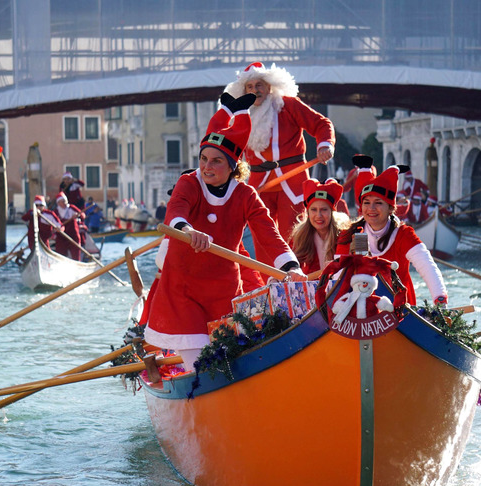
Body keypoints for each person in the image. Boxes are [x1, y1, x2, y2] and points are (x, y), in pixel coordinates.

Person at [143, 92, 306, 369]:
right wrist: (188, 230)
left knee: (232, 359)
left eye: (216, 161)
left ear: (233, 167)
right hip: (183, 290)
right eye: (203, 158)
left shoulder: (245, 194)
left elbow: (269, 234)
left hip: (224, 292)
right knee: (204, 364)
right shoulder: (188, 182)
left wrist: (291, 266)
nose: (206, 166)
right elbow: (176, 212)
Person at [222, 62, 335, 260]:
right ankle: (268, 284)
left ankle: (295, 281)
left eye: (259, 85)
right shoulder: (241, 116)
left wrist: (325, 145)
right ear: (244, 90)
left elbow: (321, 124)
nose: (255, 90)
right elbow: (232, 150)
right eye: (250, 87)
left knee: (293, 234)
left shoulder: (288, 105)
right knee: (261, 235)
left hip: (293, 182)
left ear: (269, 87)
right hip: (259, 185)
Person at [335, 156, 448, 307]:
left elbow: (427, 266)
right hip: (360, 313)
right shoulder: (349, 235)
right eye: (367, 203)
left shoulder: (403, 234)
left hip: (400, 311)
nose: (371, 209)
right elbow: (337, 277)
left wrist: (440, 298)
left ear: (390, 208)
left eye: (378, 203)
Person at [289, 178, 350, 275]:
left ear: (332, 212)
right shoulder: (298, 237)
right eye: (314, 210)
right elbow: (289, 266)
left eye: (324, 210)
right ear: (308, 212)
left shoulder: (345, 234)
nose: (319, 215)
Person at [52, 193, 85, 260]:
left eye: (65, 201)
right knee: (60, 257)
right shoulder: (55, 212)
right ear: (58, 203)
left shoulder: (71, 208)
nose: (65, 203)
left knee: (76, 255)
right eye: (63, 201)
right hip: (61, 237)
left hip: (73, 236)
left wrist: (77, 215)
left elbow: (83, 215)